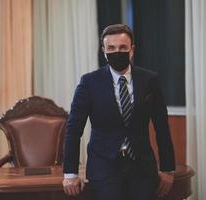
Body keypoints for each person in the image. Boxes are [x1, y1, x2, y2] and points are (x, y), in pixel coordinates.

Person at [62, 24, 175, 200]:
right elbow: (73, 129)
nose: (117, 52)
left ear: (132, 50)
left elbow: (162, 126)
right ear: (104, 51)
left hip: (142, 167)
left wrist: (167, 169)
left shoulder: (149, 80)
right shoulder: (89, 83)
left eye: (123, 47)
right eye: (111, 48)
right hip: (103, 167)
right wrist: (70, 173)